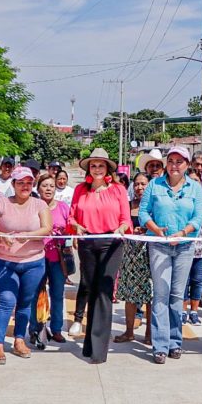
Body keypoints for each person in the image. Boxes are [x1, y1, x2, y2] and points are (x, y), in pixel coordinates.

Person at [139, 146, 202, 364]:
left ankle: (175, 342)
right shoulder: (154, 185)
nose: (175, 165)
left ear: (187, 165)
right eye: (171, 161)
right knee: (160, 294)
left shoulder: (194, 188)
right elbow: (143, 212)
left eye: (180, 161)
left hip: (185, 246)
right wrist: (156, 229)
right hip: (159, 245)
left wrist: (183, 233)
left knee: (177, 296)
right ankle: (160, 345)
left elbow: (198, 217)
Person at [68, 148, 131, 364]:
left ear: (107, 169)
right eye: (93, 165)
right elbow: (72, 216)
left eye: (100, 165)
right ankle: (89, 344)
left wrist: (122, 228)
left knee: (104, 293)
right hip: (87, 243)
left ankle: (99, 349)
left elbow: (125, 219)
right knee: (91, 289)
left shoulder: (118, 190)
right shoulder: (80, 190)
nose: (96, 169)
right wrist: (76, 226)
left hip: (111, 243)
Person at [0, 166, 52, 364]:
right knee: (6, 301)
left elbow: (47, 228)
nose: (25, 186)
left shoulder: (39, 205)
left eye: (29, 183)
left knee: (24, 303)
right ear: (13, 184)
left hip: (33, 263)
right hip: (5, 263)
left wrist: (28, 237)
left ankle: (19, 339)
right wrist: (1, 236)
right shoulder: (1, 204)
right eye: (20, 182)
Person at [29, 174, 71, 344]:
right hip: (36, 257)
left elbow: (70, 228)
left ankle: (57, 329)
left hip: (57, 258)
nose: (48, 189)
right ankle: (35, 329)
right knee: (36, 294)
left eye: (51, 186)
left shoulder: (63, 207)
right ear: (38, 189)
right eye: (44, 185)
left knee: (57, 294)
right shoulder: (32, 207)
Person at [114, 173, 153, 345]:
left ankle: (150, 333)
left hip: (150, 253)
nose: (140, 188)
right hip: (130, 255)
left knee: (151, 295)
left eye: (143, 184)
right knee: (130, 294)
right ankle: (129, 332)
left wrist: (146, 231)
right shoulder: (127, 206)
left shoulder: (154, 207)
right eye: (137, 184)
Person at [183, 170, 202, 327]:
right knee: (184, 281)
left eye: (197, 181)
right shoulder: (184, 199)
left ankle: (194, 312)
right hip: (185, 248)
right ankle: (182, 311)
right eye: (191, 180)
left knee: (197, 281)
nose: (194, 183)